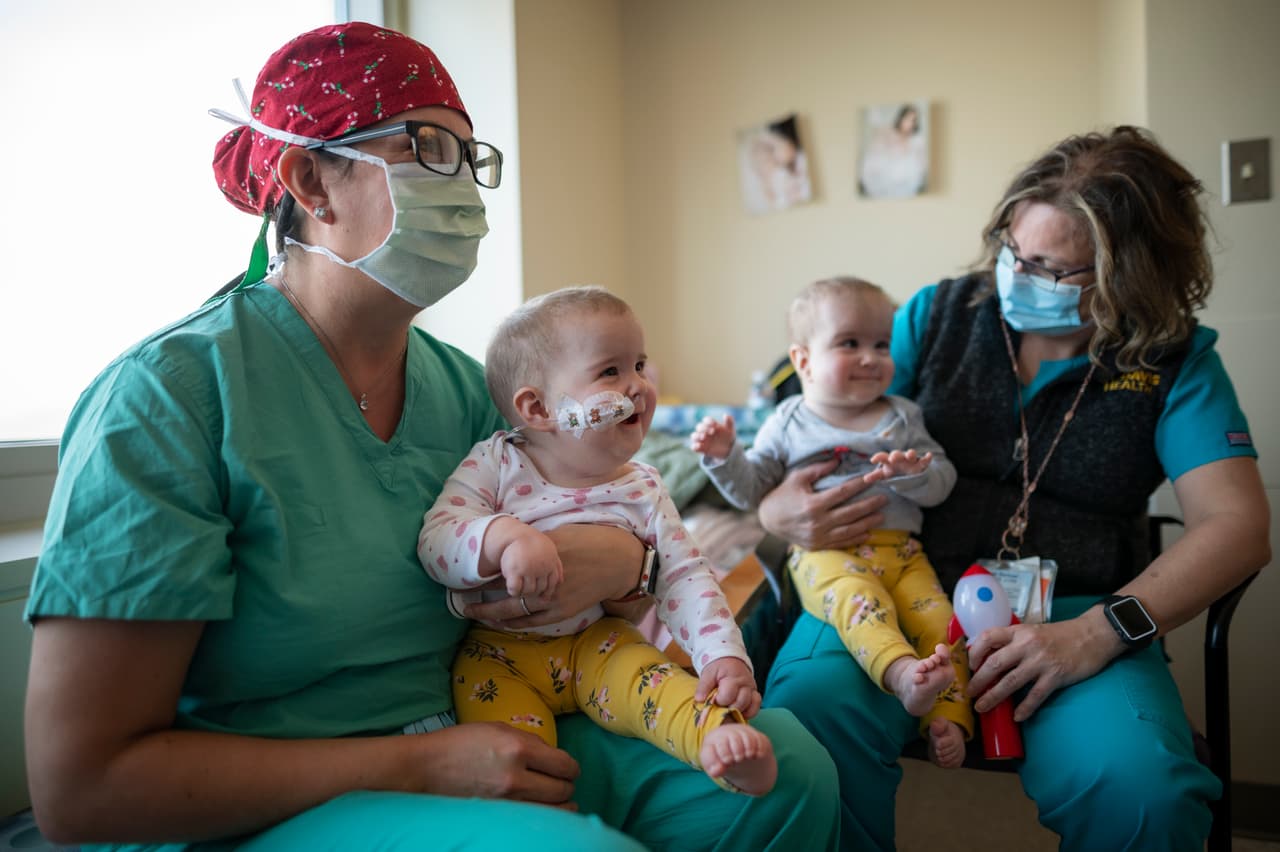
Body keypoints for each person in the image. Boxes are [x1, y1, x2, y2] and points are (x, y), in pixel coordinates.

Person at [22, 21, 839, 852]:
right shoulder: (170, 399)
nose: (467, 195)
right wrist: (414, 768)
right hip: (272, 796)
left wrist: (634, 560)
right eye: (426, 150)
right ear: (312, 181)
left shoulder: (463, 391)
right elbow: (83, 789)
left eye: (471, 160)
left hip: (485, 716)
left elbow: (602, 575)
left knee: (790, 772)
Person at [759, 125, 1271, 850]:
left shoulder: (1170, 360)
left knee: (1145, 793)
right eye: (1014, 254)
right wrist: (777, 507)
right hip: (900, 582)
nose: (1020, 278)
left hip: (1075, 612)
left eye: (1055, 270)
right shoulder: (937, 318)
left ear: (1129, 277)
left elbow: (1238, 527)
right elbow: (813, 428)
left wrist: (1098, 634)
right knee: (805, 725)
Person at [419, 286, 777, 796]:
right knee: (505, 743)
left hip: (599, 645)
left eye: (640, 365)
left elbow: (684, 575)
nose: (639, 386)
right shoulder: (496, 463)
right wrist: (502, 536)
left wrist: (722, 655)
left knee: (653, 682)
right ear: (539, 408)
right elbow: (437, 538)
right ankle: (537, 808)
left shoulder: (643, 486)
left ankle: (715, 740)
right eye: (611, 371)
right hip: (500, 657)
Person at [690, 278, 971, 769]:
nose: (870, 357)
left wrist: (914, 476)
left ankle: (948, 717)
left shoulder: (903, 417)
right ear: (803, 361)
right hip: (828, 557)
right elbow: (753, 488)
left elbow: (943, 481)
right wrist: (722, 457)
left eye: (880, 345)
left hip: (905, 553)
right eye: (849, 343)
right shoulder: (788, 421)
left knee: (941, 622)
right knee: (862, 606)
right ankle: (902, 674)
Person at [858, 103, 928, 199]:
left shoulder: (917, 140)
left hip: (906, 178)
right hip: (886, 173)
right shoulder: (888, 133)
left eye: (913, 120)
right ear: (901, 118)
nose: (910, 123)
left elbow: (921, 164)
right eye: (907, 119)